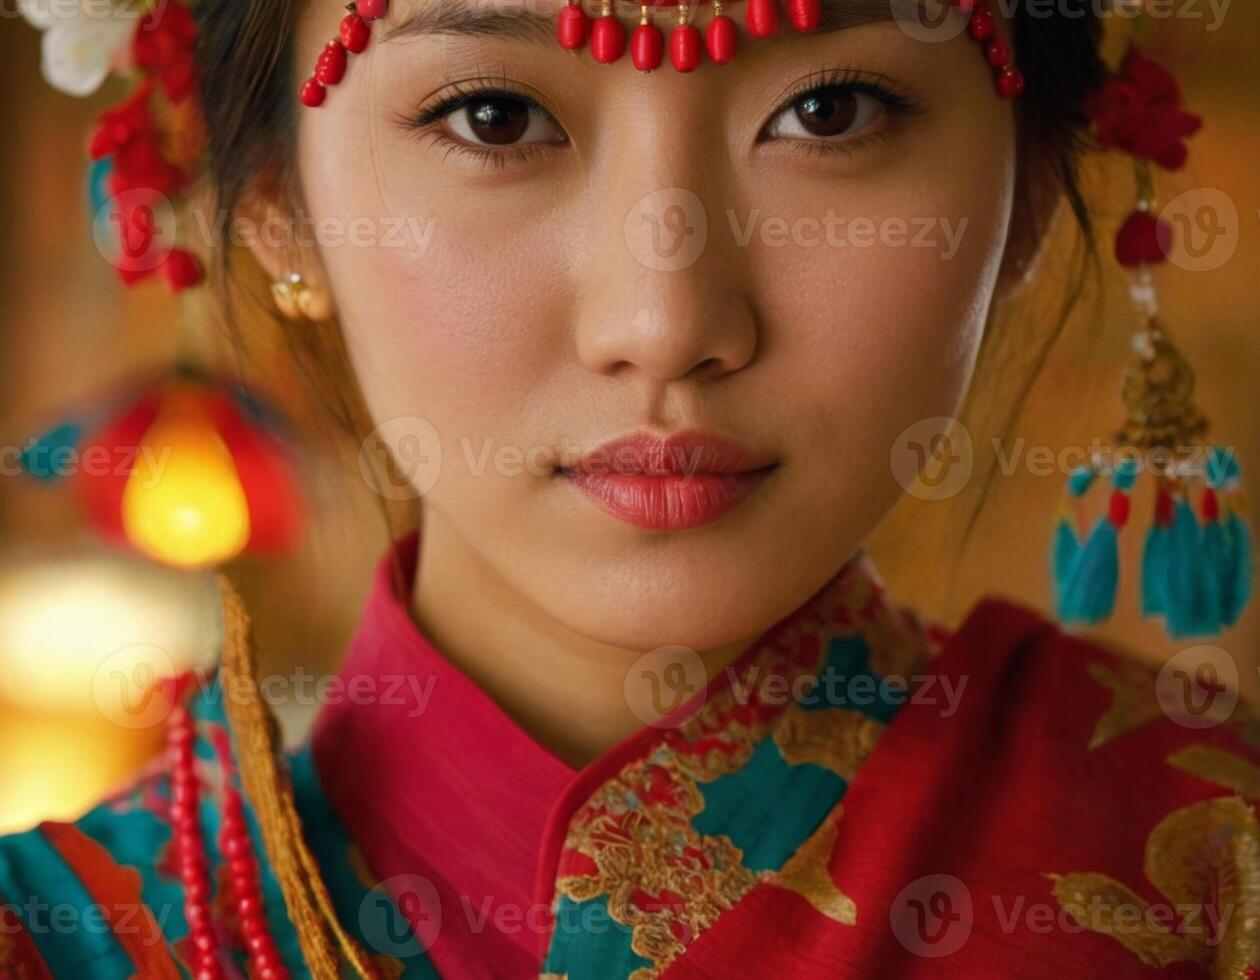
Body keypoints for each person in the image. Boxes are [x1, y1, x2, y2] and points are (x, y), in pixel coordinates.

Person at [1, 0, 1254, 977]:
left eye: (833, 111)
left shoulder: (1216, 875)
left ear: (1030, 192)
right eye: (494, 118)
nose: (665, 321)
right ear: (279, 208)